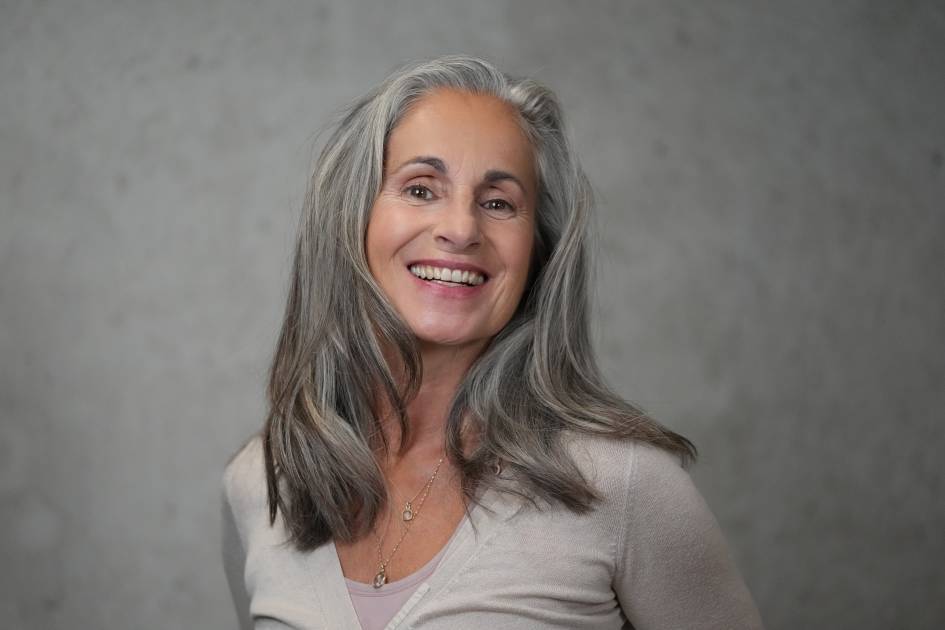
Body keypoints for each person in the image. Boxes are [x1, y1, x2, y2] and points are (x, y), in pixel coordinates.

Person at [221, 55, 764, 630]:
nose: (461, 229)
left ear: (539, 250)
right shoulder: (262, 480)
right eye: (421, 189)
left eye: (499, 202)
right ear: (349, 220)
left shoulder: (620, 482)